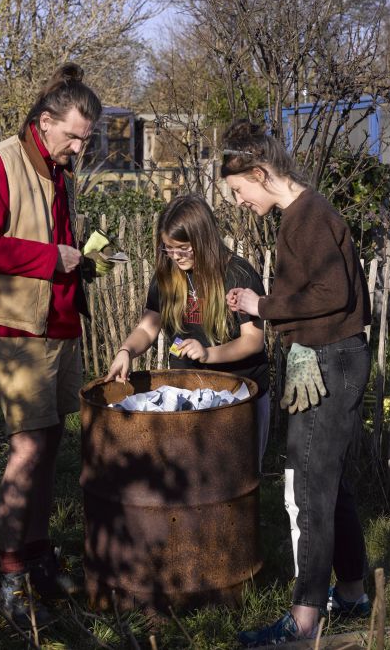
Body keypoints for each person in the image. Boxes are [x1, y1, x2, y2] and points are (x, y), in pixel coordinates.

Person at [0, 63, 101, 628]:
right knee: (28, 450)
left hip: (59, 322)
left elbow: (49, 236)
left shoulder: (57, 168)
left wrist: (80, 259)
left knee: (52, 441)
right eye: (74, 136)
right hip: (17, 330)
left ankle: (37, 558)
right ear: (44, 121)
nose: (80, 148)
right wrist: (49, 258)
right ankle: (10, 578)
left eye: (87, 138)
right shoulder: (0, 163)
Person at [221, 119, 372, 646]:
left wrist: (264, 306)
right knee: (330, 485)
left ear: (261, 173)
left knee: (309, 487)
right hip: (330, 355)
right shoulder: (304, 215)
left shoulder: (306, 217)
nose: (239, 202)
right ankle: (352, 595)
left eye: (239, 191)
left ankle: (304, 620)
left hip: (330, 361)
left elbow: (333, 293)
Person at [104, 193, 270, 469]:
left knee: (233, 478)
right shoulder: (168, 274)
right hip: (186, 392)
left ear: (203, 239)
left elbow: (253, 341)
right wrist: (126, 351)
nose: (175, 255)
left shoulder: (238, 274)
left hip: (239, 395)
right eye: (168, 248)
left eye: (183, 247)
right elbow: (148, 326)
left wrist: (208, 354)